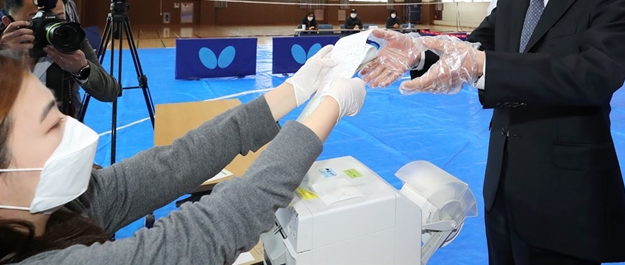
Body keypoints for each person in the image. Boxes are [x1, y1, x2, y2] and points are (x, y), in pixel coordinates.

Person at [361, 0, 625, 265]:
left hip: (566, 198)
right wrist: (420, 52)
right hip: (503, 188)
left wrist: (481, 65)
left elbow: (595, 75)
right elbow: (475, 47)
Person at [0, 46, 366, 264]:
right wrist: (330, 104)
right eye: (51, 125)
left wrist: (295, 90)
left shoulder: (64, 208)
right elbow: (209, 230)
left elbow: (174, 163)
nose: (71, 128)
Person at [0, 0, 119, 118]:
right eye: (37, 19)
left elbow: (110, 92)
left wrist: (82, 68)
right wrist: (4, 56)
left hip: (61, 130)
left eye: (59, 17)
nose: (50, 25)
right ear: (8, 22)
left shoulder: (69, 39)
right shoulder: (3, 45)